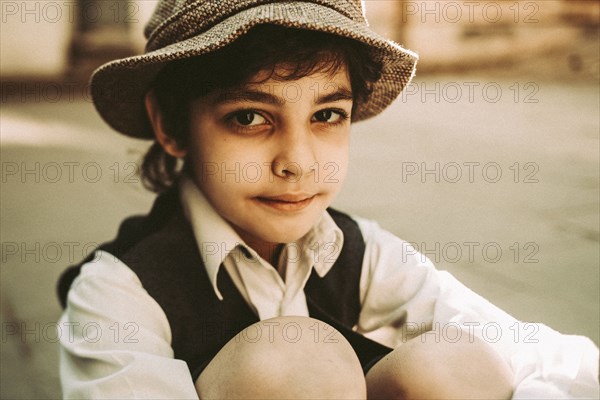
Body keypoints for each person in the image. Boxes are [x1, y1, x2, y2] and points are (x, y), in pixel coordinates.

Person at [57, 1, 599, 399]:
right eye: (249, 117)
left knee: (458, 361)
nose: (298, 161)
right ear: (171, 124)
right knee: (298, 361)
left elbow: (537, 354)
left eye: (326, 116)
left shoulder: (359, 252)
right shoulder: (121, 292)